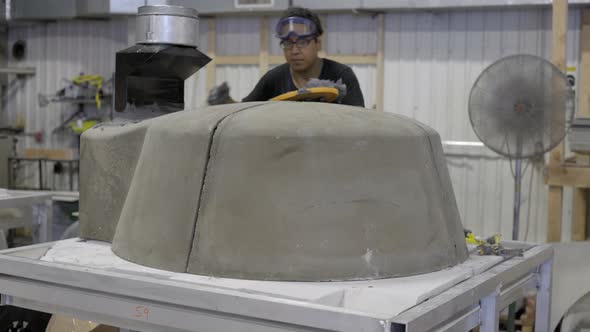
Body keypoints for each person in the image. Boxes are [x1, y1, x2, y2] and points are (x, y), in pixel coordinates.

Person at [209, 7, 365, 107]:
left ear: (318, 43)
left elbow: (360, 123)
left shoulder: (341, 75)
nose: (294, 51)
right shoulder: (274, 78)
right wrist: (225, 103)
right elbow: (246, 111)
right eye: (287, 43)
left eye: (303, 42)